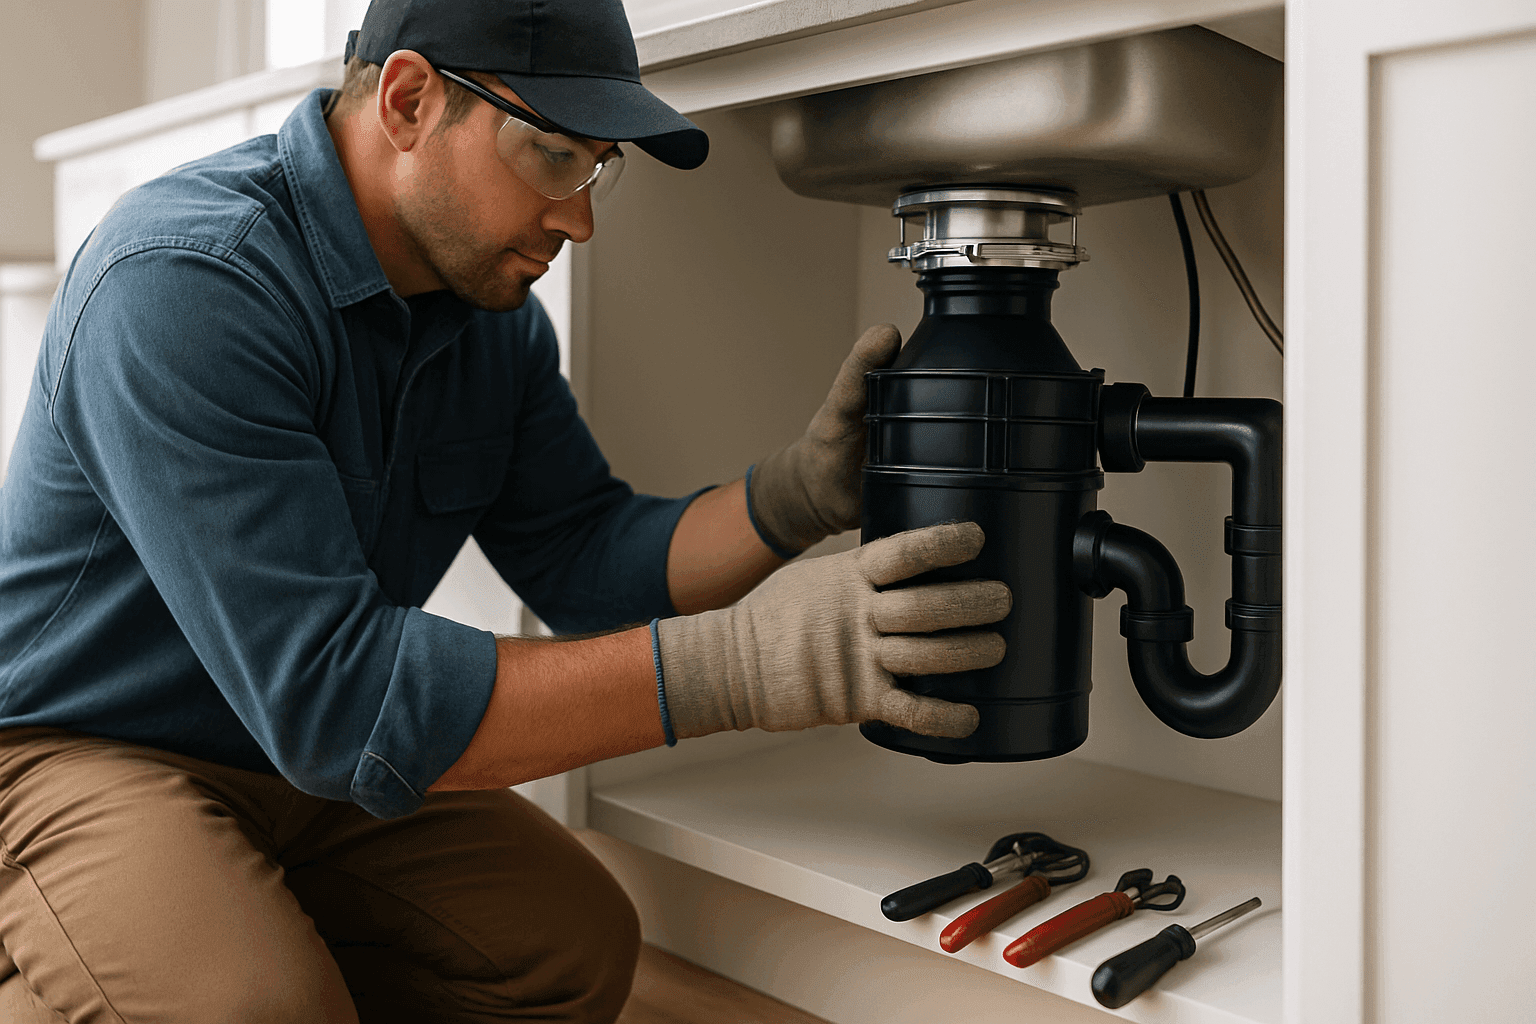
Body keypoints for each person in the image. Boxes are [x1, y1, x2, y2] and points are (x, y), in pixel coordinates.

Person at [0, 0, 1010, 1020]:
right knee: (253, 1009)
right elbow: (337, 699)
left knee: (569, 949)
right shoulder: (188, 281)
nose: (579, 215)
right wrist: (747, 665)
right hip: (75, 748)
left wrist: (793, 496)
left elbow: (585, 559)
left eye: (597, 166)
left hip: (292, 762)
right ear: (408, 99)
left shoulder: (488, 321)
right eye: (554, 155)